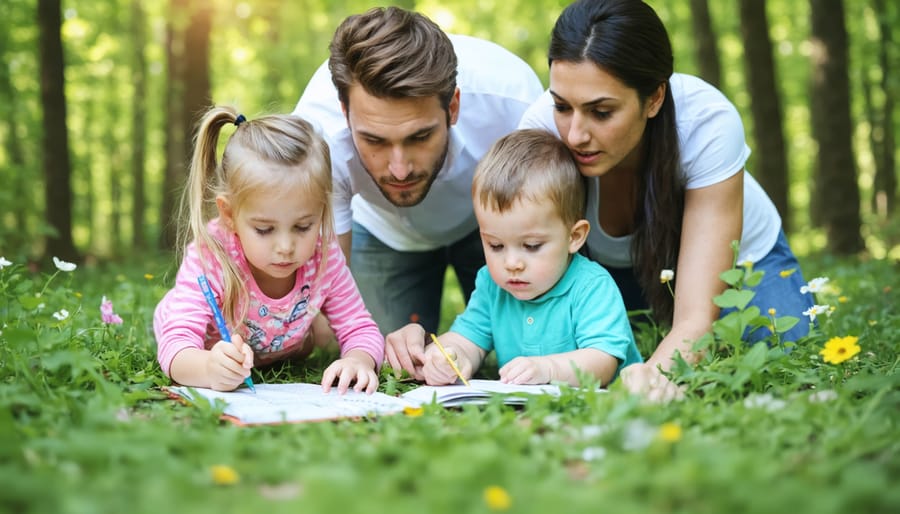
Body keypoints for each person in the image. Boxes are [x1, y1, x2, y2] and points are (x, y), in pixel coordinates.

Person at [516, 0, 815, 401]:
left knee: (783, 355)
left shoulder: (706, 123)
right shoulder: (540, 131)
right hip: (612, 274)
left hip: (740, 263)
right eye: (562, 107)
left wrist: (643, 386)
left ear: (654, 98)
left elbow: (695, 318)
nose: (574, 135)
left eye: (601, 112)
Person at [292, 6, 543, 338]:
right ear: (345, 112)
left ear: (453, 106)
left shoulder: (514, 101)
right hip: (383, 230)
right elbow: (324, 298)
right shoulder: (317, 138)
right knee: (381, 353)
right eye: (374, 140)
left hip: (493, 224)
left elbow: (553, 218)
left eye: (420, 136)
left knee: (531, 344)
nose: (399, 169)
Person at [154, 107, 383, 394]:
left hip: (277, 346)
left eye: (303, 226)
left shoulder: (324, 255)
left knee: (312, 343)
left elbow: (359, 327)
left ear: (321, 211)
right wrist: (209, 367)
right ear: (229, 215)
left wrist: (358, 360)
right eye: (264, 230)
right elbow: (177, 344)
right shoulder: (212, 255)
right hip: (205, 349)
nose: (286, 247)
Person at [386, 129, 641, 387]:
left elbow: (603, 361)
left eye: (531, 246)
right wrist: (449, 357)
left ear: (574, 237)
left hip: (604, 409)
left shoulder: (590, 286)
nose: (512, 263)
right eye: (495, 245)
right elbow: (467, 339)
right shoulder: (493, 285)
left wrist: (549, 370)